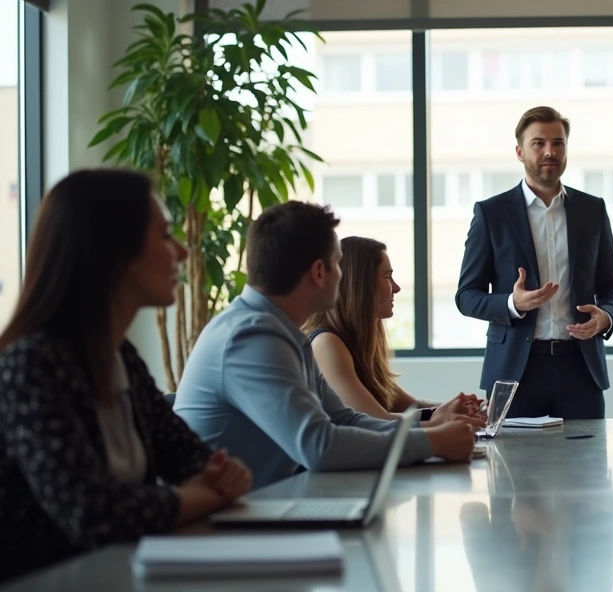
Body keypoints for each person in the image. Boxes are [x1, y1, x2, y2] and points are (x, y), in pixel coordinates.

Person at [0, 170, 252, 582]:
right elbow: (95, 516)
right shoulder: (33, 364)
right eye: (166, 235)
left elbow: (193, 458)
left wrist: (214, 481)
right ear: (116, 254)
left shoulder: (119, 355)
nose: (183, 253)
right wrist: (197, 495)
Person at [175, 202, 475, 489]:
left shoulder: (283, 332)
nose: (343, 277)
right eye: (337, 265)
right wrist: (431, 442)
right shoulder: (250, 337)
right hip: (224, 525)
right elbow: (319, 445)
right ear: (319, 272)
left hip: (265, 504)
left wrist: (429, 429)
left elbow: (343, 418)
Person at [455, 106, 613, 419]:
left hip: (581, 370)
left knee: (587, 467)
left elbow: (612, 286)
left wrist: (606, 317)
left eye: (558, 143)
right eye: (539, 143)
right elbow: (466, 296)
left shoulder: (592, 210)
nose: (550, 151)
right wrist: (512, 303)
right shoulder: (491, 214)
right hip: (514, 371)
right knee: (511, 467)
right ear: (520, 152)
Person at [303, 236, 484, 424]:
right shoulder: (326, 343)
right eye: (388, 276)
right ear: (360, 284)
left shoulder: (357, 342)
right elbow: (376, 421)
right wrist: (442, 417)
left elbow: (410, 407)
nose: (396, 288)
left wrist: (459, 409)